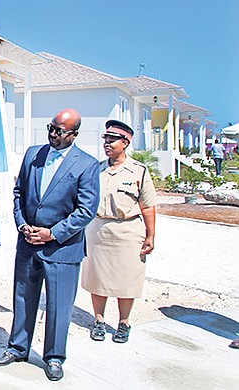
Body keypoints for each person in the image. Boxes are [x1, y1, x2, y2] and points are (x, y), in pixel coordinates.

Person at [0, 108, 100, 382]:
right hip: (28, 242)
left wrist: (51, 234)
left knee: (58, 306)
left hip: (62, 249)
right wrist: (21, 224)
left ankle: (53, 357)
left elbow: (86, 211)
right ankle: (18, 347)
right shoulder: (33, 154)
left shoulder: (86, 165)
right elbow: (19, 193)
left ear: (74, 134)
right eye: (51, 128)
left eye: (59, 131)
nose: (53, 134)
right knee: (23, 298)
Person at [81, 120, 156, 344]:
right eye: (105, 139)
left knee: (127, 280)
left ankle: (124, 322)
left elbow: (148, 206)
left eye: (112, 140)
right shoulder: (97, 169)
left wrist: (151, 235)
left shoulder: (138, 171)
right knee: (98, 278)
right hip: (99, 229)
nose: (107, 144)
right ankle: (99, 320)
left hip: (128, 231)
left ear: (125, 142)